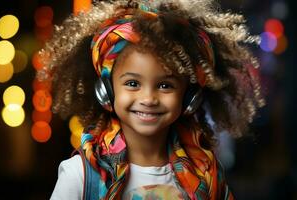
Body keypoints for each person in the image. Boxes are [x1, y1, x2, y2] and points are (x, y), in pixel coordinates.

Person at [39, 0, 265, 199]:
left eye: (165, 85)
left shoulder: (207, 174)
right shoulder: (80, 175)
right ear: (106, 89)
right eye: (132, 83)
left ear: (189, 96)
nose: (148, 98)